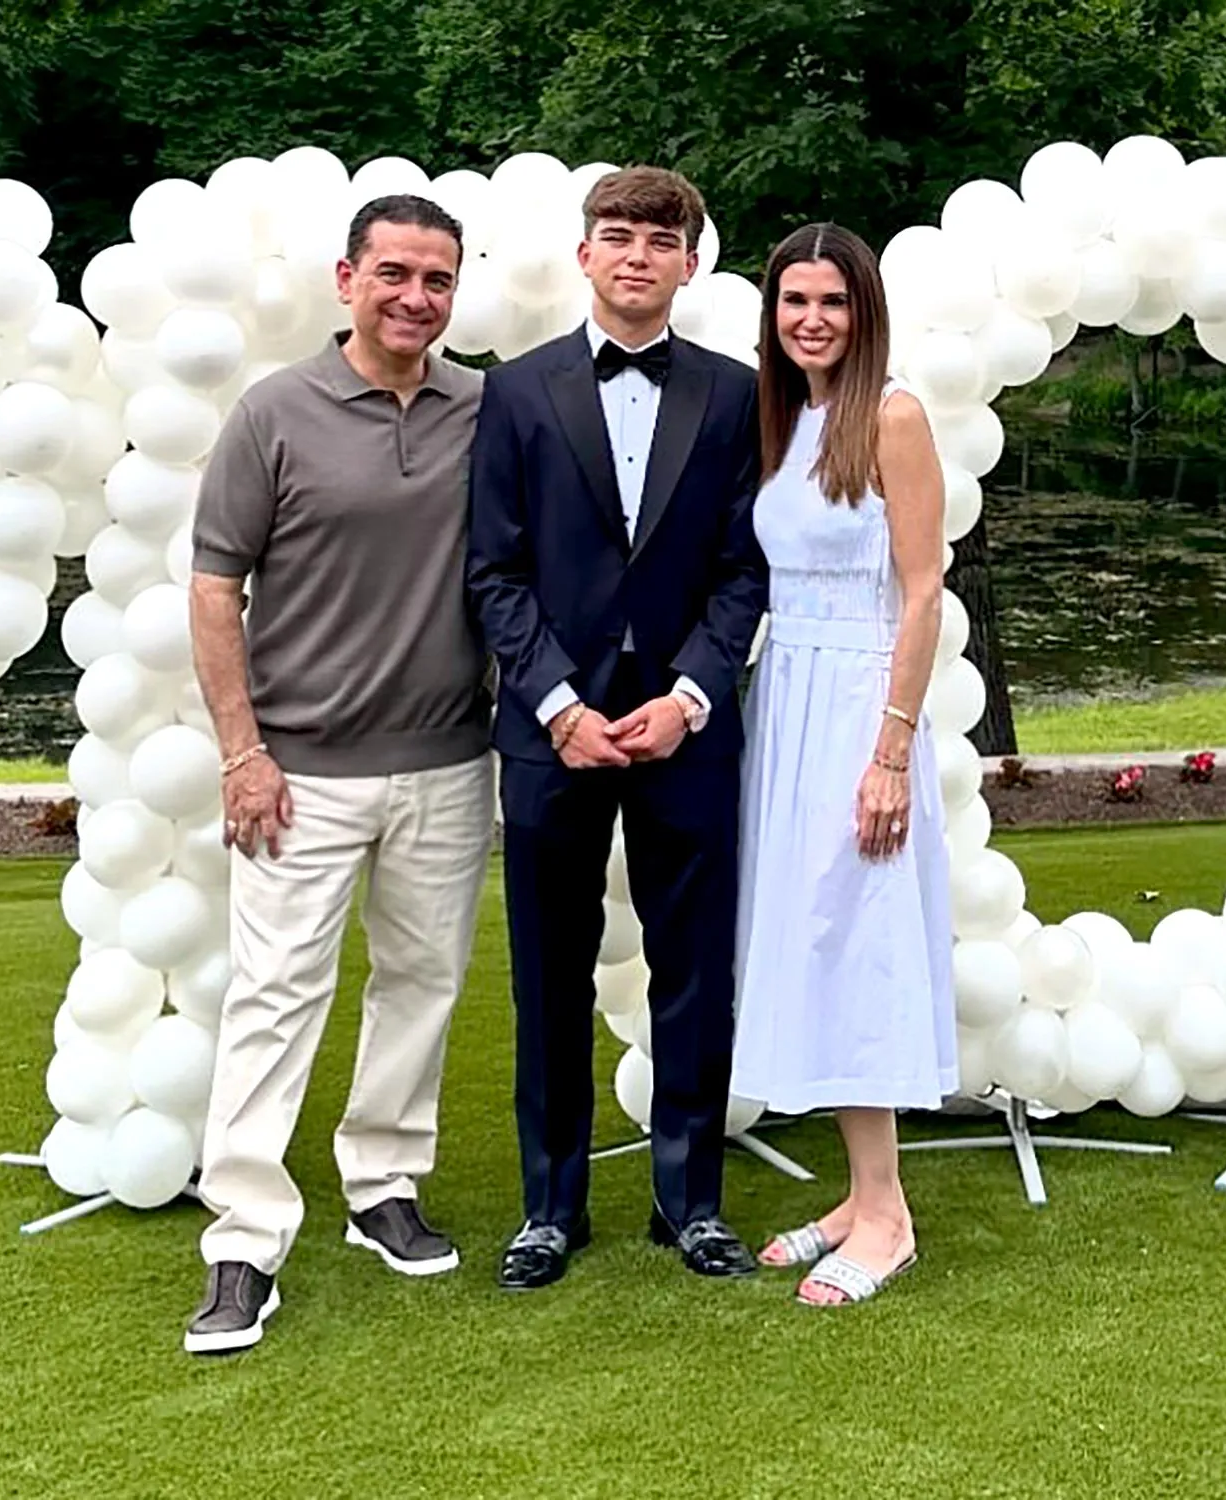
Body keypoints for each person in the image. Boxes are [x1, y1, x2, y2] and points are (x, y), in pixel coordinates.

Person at [182, 195, 494, 1354]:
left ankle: (383, 1185)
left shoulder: (482, 410)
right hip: (298, 773)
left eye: (437, 280)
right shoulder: (274, 412)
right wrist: (242, 753)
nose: (416, 297)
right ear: (346, 278)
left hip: (450, 761)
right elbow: (216, 590)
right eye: (395, 273)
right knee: (274, 1001)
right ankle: (243, 1240)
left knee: (420, 982)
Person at [467, 166, 767, 1290]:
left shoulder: (737, 397)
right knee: (547, 967)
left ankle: (689, 1205)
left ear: (690, 262)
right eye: (616, 235)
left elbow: (745, 571)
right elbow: (493, 572)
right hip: (553, 731)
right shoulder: (515, 392)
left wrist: (690, 695)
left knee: (691, 968)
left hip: (685, 732)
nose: (637, 254)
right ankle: (550, 1208)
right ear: (582, 255)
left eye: (660, 238)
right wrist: (558, 704)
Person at [731, 222, 957, 1307]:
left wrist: (891, 752)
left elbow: (922, 589)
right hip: (789, 698)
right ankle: (854, 1197)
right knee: (808, 936)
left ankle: (890, 1213)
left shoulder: (892, 416)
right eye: (792, 302)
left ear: (862, 312)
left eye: (831, 301)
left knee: (856, 938)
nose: (810, 319)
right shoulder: (789, 419)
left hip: (862, 702)